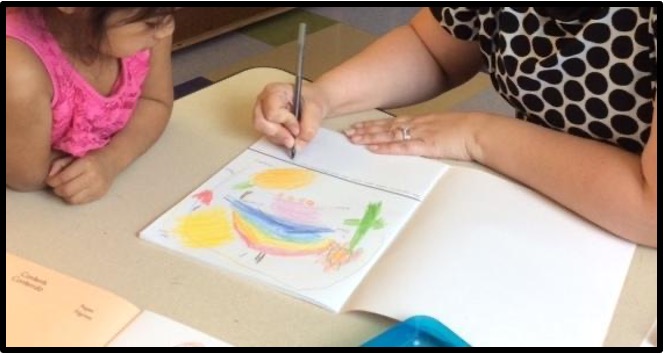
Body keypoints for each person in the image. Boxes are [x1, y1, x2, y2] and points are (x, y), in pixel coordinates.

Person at [253, 7, 657, 247]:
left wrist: (477, 135)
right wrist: (323, 96)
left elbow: (650, 212)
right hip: (547, 203)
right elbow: (432, 49)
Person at [6, 7, 176, 204]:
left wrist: (110, 161)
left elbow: (155, 102)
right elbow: (26, 176)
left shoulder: (152, 23)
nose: (167, 29)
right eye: (151, 22)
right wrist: (88, 171)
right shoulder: (19, 71)